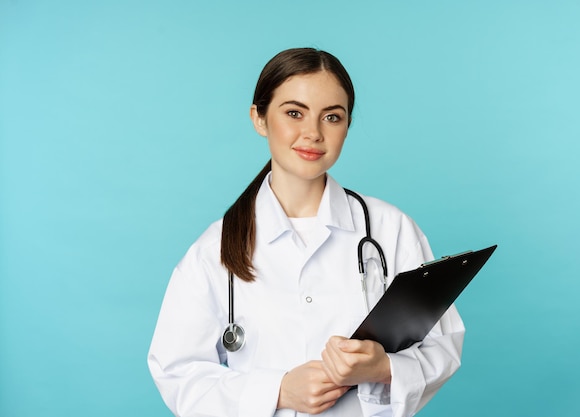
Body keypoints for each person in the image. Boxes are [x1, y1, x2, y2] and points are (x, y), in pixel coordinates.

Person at [147, 47, 465, 417]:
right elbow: (176, 372)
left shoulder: (390, 229)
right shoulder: (213, 250)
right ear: (259, 118)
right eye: (294, 113)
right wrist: (279, 391)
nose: (312, 133)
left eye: (332, 117)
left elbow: (443, 346)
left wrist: (381, 368)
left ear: (347, 125)